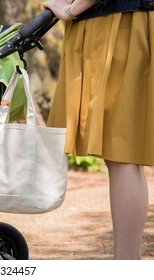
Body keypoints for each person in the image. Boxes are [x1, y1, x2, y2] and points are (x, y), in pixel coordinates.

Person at [42, 0, 154, 259]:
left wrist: (71, 9)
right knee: (125, 154)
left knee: (122, 153)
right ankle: (127, 261)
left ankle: (125, 264)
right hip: (125, 20)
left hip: (119, 24)